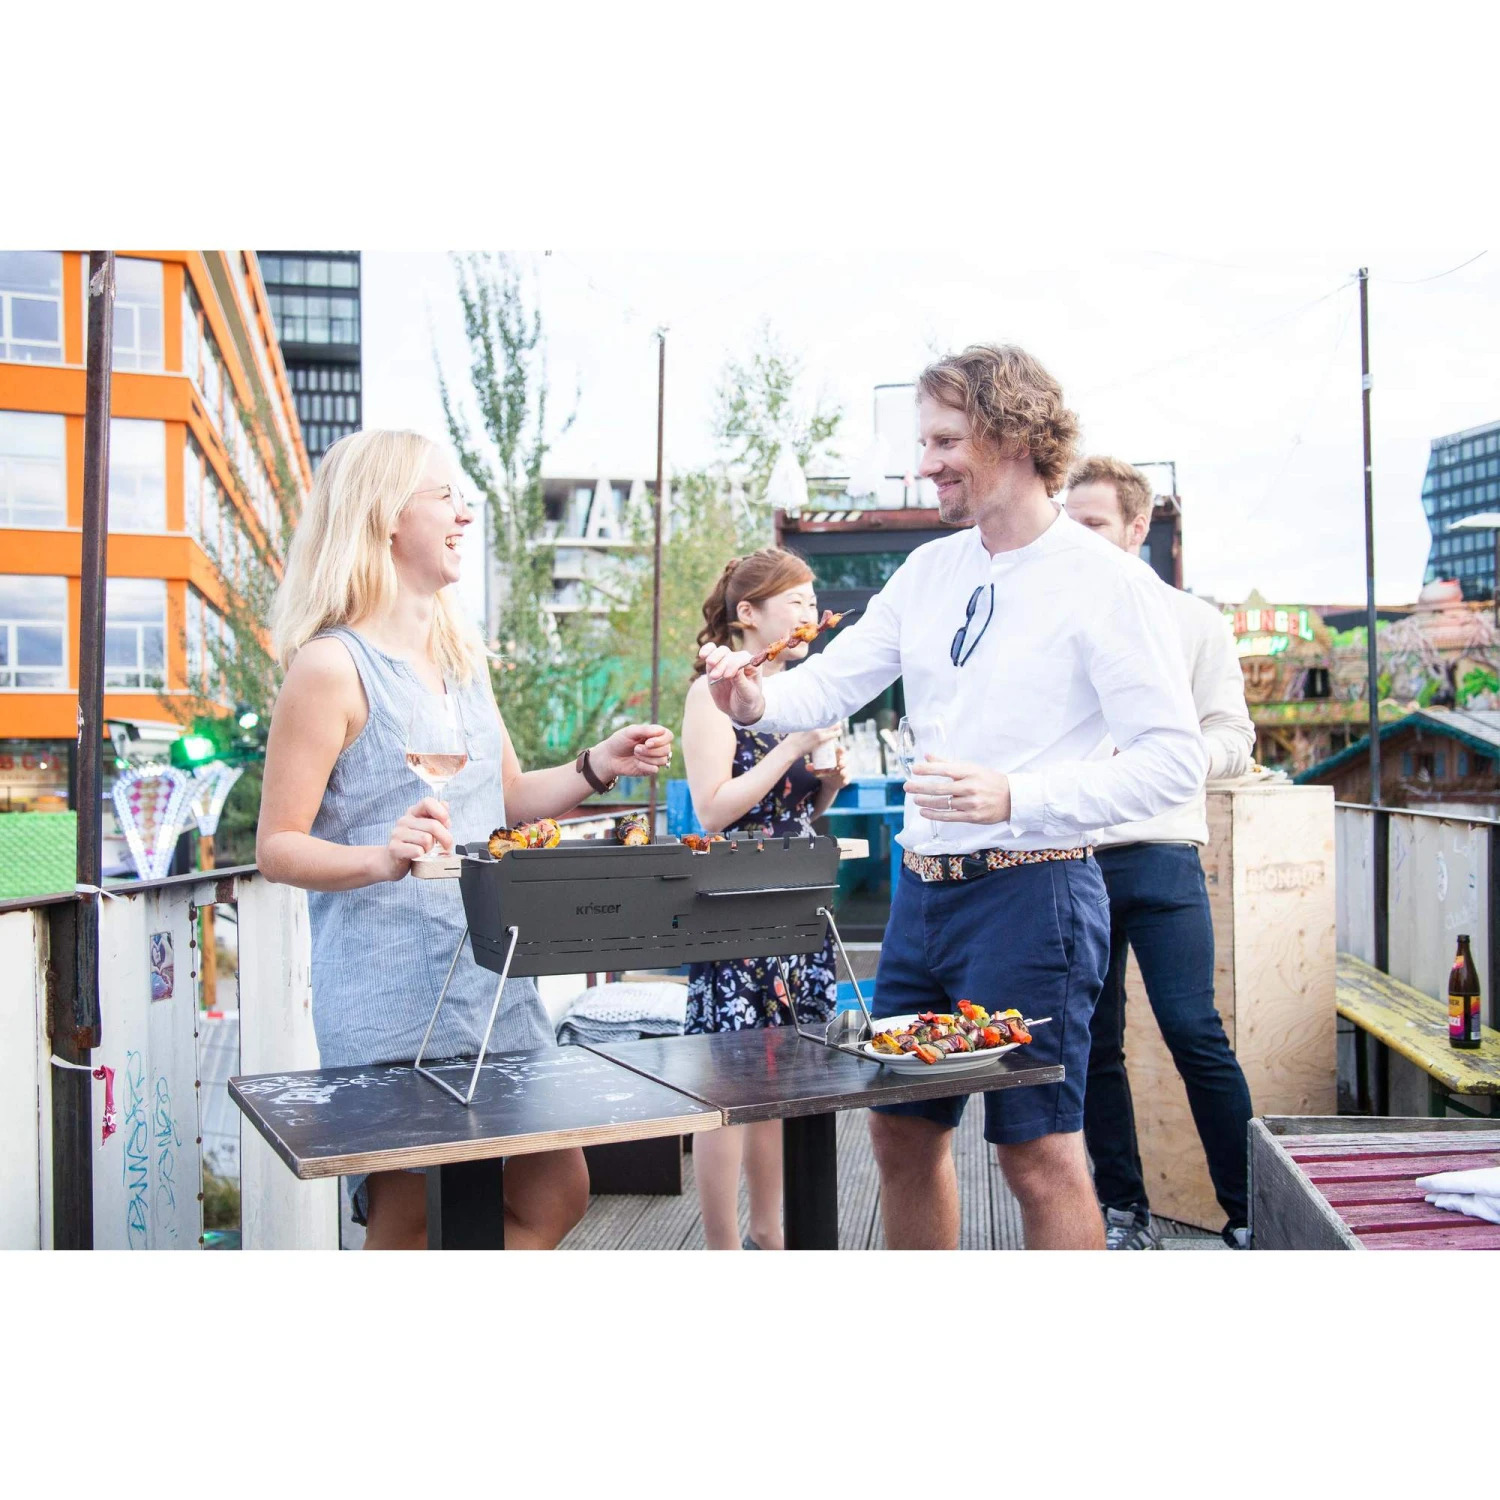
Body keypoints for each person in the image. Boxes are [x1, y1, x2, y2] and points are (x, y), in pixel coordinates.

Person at [699, 345, 1207, 1250]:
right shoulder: (929, 571)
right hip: (921, 899)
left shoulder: (1109, 583)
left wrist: (1016, 794)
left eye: (944, 440)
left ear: (1013, 435)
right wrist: (752, 703)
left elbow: (1175, 764)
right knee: (898, 1135)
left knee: (1039, 1157)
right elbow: (831, 684)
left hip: (1034, 896)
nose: (924, 462)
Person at [256, 429, 672, 1250]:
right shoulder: (331, 668)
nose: (465, 515)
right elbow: (278, 846)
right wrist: (384, 858)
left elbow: (504, 799)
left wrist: (597, 764)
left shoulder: (460, 658)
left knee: (557, 1192)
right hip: (391, 997)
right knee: (410, 1221)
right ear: (385, 516)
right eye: (445, 495)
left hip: (491, 976)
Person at [1065, 456, 1257, 1249]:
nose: (1076, 537)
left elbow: (1235, 738)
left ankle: (1250, 1214)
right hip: (1071, 857)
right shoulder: (1048, 617)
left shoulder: (1194, 622)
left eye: (1094, 523)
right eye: (1068, 522)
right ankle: (1124, 1213)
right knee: (1092, 1043)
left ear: (1137, 528)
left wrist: (1169, 760)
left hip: (1163, 851)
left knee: (1193, 1030)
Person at [680, 548, 849, 1249]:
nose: (810, 612)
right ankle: (723, 1250)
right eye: (795, 601)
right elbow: (714, 810)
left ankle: (770, 1236)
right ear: (747, 614)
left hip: (799, 898)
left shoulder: (800, 688)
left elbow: (801, 812)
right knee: (728, 1083)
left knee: (788, 1075)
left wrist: (827, 779)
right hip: (735, 903)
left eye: (813, 600)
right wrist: (790, 748)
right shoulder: (712, 693)